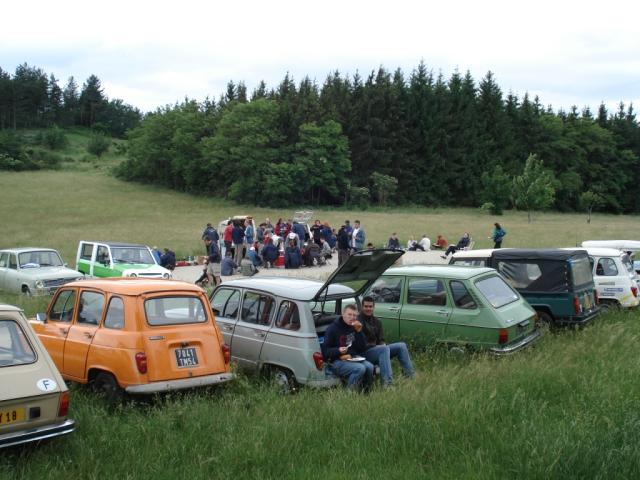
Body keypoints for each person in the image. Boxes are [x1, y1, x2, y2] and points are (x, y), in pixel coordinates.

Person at [359, 296, 415, 386]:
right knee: (384, 349)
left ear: (374, 307)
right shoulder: (358, 322)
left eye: (370, 306)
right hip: (364, 352)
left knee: (401, 346)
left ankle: (411, 377)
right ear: (362, 307)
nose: (368, 309)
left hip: (378, 350)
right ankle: (387, 384)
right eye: (366, 306)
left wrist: (382, 344)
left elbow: (381, 340)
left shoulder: (377, 322)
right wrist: (379, 347)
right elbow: (359, 344)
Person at [322, 304, 374, 392]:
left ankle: (366, 392)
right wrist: (338, 350)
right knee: (360, 369)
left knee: (370, 366)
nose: (352, 317)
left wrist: (359, 332)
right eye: (349, 314)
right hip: (336, 361)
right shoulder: (332, 329)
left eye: (354, 315)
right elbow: (325, 351)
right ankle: (349, 394)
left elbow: (362, 347)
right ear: (343, 314)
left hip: (351, 358)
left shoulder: (353, 327)